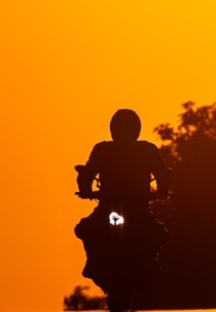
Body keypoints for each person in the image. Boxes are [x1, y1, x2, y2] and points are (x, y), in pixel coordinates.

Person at [74, 109, 171, 310]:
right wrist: (85, 189)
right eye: (121, 128)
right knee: (86, 229)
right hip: (107, 208)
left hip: (138, 208)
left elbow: (162, 173)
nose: (124, 132)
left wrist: (162, 190)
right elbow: (87, 172)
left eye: (127, 128)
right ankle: (95, 264)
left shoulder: (147, 150)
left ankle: (151, 264)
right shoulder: (102, 150)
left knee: (156, 233)